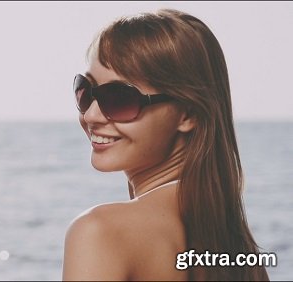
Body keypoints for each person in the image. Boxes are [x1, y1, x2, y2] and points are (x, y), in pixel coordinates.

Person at [62, 8, 269, 281]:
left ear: (188, 114)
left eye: (119, 98)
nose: (90, 115)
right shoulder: (239, 249)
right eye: (86, 92)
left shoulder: (99, 232)